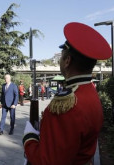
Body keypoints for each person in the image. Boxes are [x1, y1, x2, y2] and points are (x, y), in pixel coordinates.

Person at [22, 22, 112, 165]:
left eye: (62, 56)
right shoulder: (91, 92)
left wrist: (29, 138)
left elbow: (47, 161)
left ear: (67, 61)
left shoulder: (66, 105)